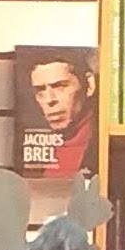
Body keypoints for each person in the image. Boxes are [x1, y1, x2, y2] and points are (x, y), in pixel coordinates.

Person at [24, 49, 96, 182]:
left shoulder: (105, 147)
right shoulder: (32, 151)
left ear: (89, 85)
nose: (50, 100)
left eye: (60, 86)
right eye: (40, 90)